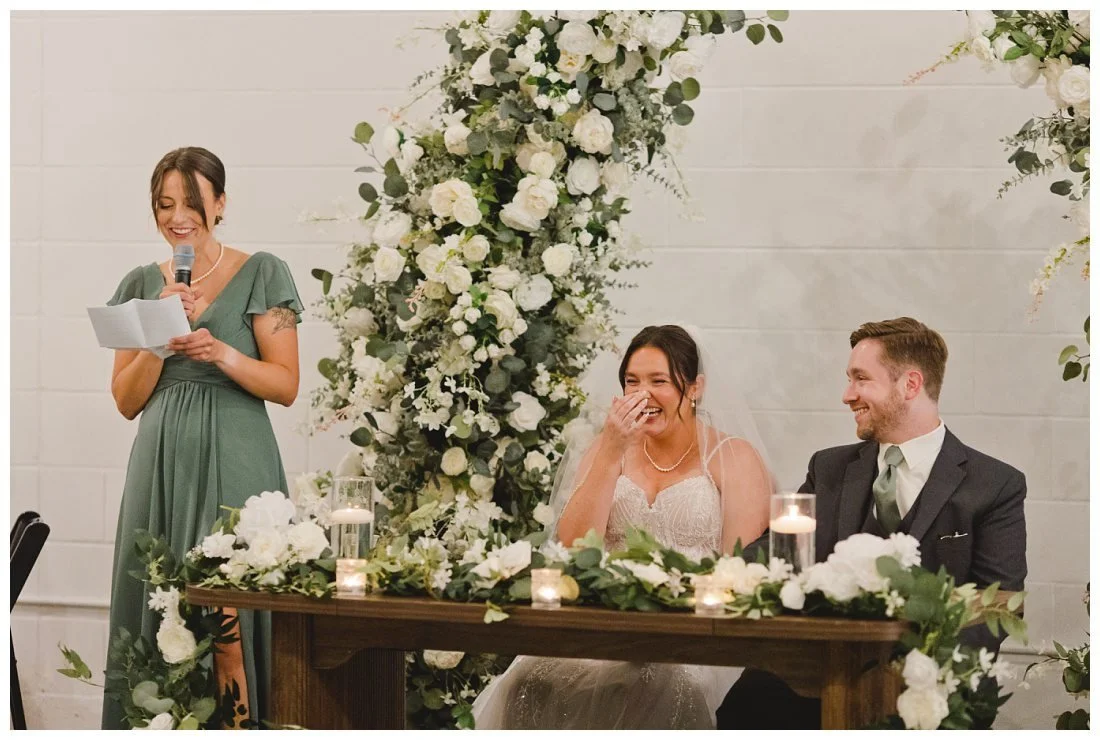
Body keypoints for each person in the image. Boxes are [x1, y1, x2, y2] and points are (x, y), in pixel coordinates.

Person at [717, 316, 1027, 730]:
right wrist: (712, 576)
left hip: (928, 687)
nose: (847, 395)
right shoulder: (828, 467)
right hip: (812, 676)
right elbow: (776, 551)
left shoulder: (995, 484)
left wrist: (911, 674)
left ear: (910, 385)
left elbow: (996, 606)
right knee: (745, 702)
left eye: (861, 379)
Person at [471, 324, 774, 729]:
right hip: (602, 624)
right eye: (632, 382)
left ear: (696, 388)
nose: (642, 394)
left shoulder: (732, 456)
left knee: (659, 686)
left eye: (659, 381)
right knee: (528, 680)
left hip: (697, 631)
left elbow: (742, 567)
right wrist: (612, 452)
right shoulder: (606, 446)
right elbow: (575, 547)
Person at [101, 147, 303, 729]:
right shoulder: (140, 284)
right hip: (161, 457)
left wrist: (219, 351)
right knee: (157, 595)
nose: (178, 216)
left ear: (220, 203)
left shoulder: (266, 272)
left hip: (239, 452)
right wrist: (159, 339)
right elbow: (125, 400)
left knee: (234, 601)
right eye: (165, 205)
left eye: (192, 202)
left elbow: (286, 384)